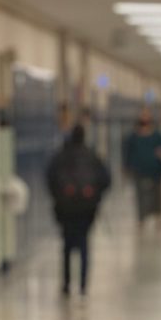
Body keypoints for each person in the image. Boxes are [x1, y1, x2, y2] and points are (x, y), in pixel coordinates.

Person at [46, 125, 110, 297]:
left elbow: (50, 179)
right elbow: (105, 179)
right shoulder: (92, 156)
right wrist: (94, 196)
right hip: (86, 209)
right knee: (83, 245)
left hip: (65, 208)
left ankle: (66, 284)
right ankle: (82, 285)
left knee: (66, 246)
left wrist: (59, 197)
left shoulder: (60, 157)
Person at [123, 109, 161, 228]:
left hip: (155, 170)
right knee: (140, 195)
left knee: (156, 194)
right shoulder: (133, 136)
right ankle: (141, 218)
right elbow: (127, 152)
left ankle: (158, 216)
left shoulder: (157, 135)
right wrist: (126, 167)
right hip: (139, 169)